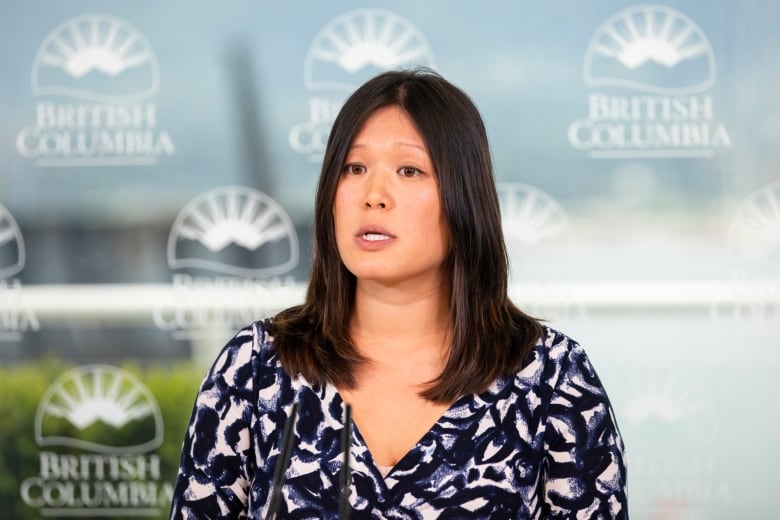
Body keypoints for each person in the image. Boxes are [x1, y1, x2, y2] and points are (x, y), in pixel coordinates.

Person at [169, 68, 627, 519]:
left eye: (409, 170)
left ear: (463, 197)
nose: (374, 194)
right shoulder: (255, 369)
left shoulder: (553, 381)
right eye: (354, 167)